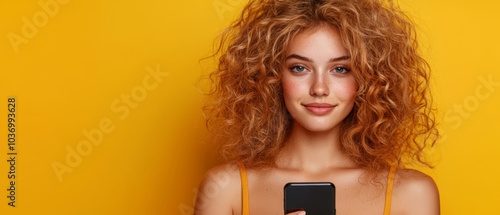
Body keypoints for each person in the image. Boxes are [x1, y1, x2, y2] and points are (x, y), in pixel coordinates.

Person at [195, 0, 440, 214]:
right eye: (299, 68)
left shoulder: (412, 193)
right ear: (270, 76)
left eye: (341, 69)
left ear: (368, 79)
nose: (319, 88)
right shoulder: (225, 189)